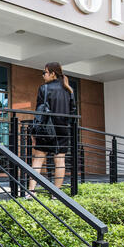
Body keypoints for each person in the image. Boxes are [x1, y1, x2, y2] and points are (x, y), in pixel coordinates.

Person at [27, 62, 76, 199]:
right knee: (60, 161)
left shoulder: (44, 88)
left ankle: (31, 192)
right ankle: (56, 193)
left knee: (38, 159)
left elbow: (39, 112)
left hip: (46, 129)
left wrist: (34, 132)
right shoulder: (69, 90)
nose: (43, 75)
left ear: (53, 73)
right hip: (63, 129)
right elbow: (72, 112)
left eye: (45, 72)